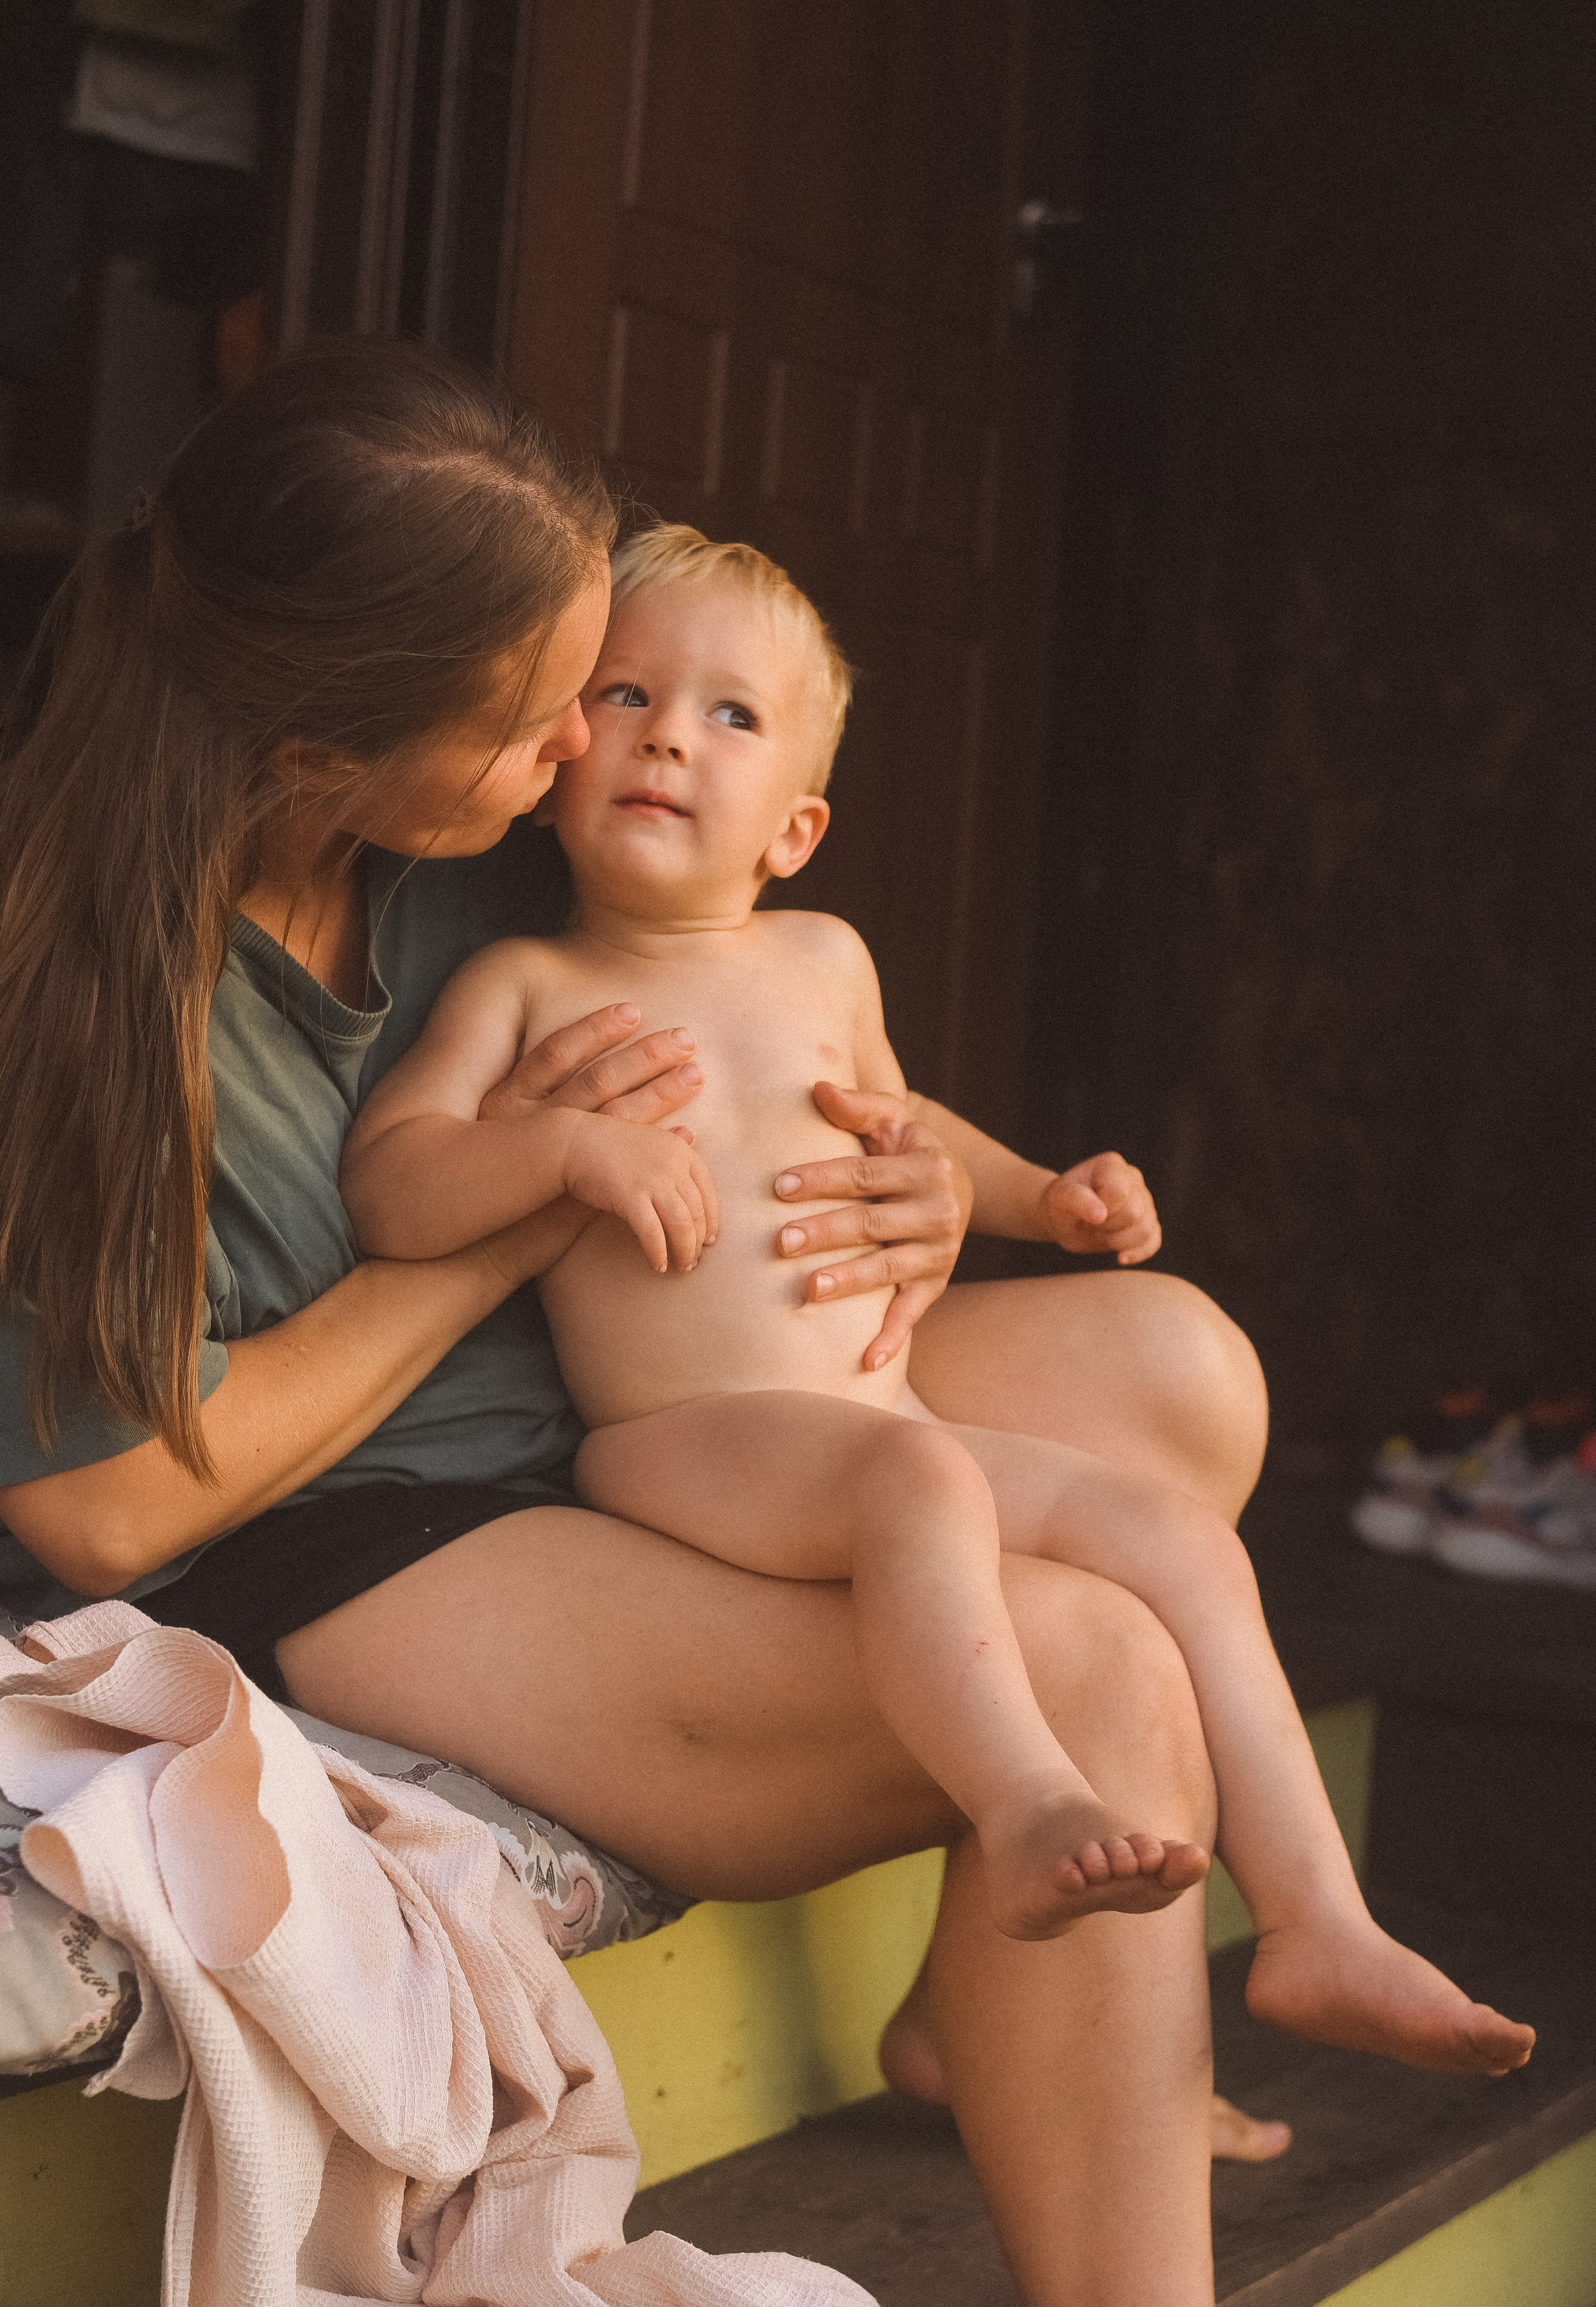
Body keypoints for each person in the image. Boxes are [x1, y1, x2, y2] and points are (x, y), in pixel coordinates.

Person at [0, 337, 1302, 2307]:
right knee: (1097, 1655)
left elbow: (740, 1034)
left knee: (1172, 1371)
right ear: (321, 743)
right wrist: (476, 1242)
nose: (597, 740)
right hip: (368, 1527)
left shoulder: (467, 835)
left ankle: (992, 2002)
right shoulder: (33, 985)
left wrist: (920, 1181)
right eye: (545, 707)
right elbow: (100, 1506)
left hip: (623, 1386)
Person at [342, 523, 1534, 2073]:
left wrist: (1037, 1195)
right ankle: (1028, 1800)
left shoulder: (825, 961)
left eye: (730, 717)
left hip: (867, 1417)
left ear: (793, 828)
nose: (664, 740)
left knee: (1163, 1530)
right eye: (626, 696)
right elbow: (391, 1181)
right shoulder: (525, 989)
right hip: (684, 1443)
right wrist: (550, 1149)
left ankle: (1317, 1922)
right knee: (918, 1475)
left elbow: (901, 1133)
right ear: (563, 754)